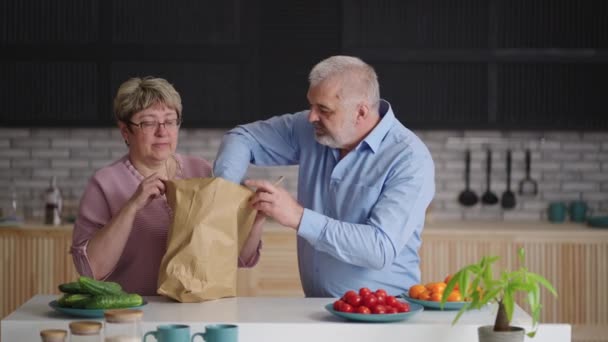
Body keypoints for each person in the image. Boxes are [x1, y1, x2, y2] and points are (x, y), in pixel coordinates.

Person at [213, 56, 435, 298]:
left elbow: (379, 249)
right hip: (317, 309)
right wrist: (221, 192)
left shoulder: (409, 158)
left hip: (382, 316)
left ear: (360, 112)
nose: (311, 117)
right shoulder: (312, 130)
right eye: (311, 105)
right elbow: (242, 137)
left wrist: (298, 217)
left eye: (324, 109)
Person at [71, 77, 264, 295]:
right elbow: (90, 271)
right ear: (125, 131)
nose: (162, 132)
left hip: (197, 309)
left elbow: (238, 257)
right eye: (149, 122)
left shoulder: (201, 171)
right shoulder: (105, 183)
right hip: (132, 311)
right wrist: (132, 206)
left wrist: (256, 219)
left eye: (170, 121)